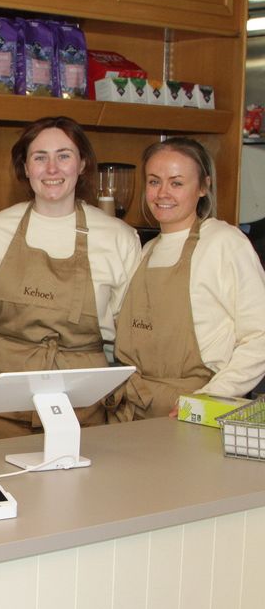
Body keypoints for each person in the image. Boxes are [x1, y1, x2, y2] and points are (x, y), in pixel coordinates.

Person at [0, 116, 141, 441]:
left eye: (64, 155)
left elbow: (127, 329)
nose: (52, 168)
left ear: (82, 164)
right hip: (0, 395)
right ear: (25, 167)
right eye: (40, 157)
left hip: (81, 399)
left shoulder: (118, 238)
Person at [108, 138, 265, 420]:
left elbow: (260, 336)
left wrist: (207, 400)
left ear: (204, 186)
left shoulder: (224, 242)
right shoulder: (147, 250)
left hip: (193, 414)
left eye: (177, 183)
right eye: (154, 182)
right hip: (134, 412)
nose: (162, 193)